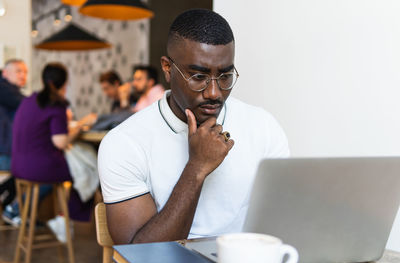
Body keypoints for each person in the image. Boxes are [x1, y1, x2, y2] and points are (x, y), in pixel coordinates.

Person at [98, 9, 289, 245]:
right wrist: (196, 168)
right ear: (167, 68)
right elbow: (141, 256)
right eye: (198, 77)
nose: (214, 92)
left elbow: (284, 220)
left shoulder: (264, 126)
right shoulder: (123, 143)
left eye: (225, 76)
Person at [11, 63, 97, 241]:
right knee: (89, 170)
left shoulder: (29, 100)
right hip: (39, 168)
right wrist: (80, 127)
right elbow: (60, 142)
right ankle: (65, 219)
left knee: (81, 169)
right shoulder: (56, 104)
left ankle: (62, 218)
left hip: (18, 167)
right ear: (65, 83)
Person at [0, 59, 27, 214]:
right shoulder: (3, 88)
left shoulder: (12, 92)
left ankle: (10, 208)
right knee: (29, 171)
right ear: (5, 73)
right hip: (4, 150)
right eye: (18, 71)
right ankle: (12, 210)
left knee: (24, 171)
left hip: (8, 148)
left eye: (25, 72)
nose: (23, 75)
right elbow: (30, 105)